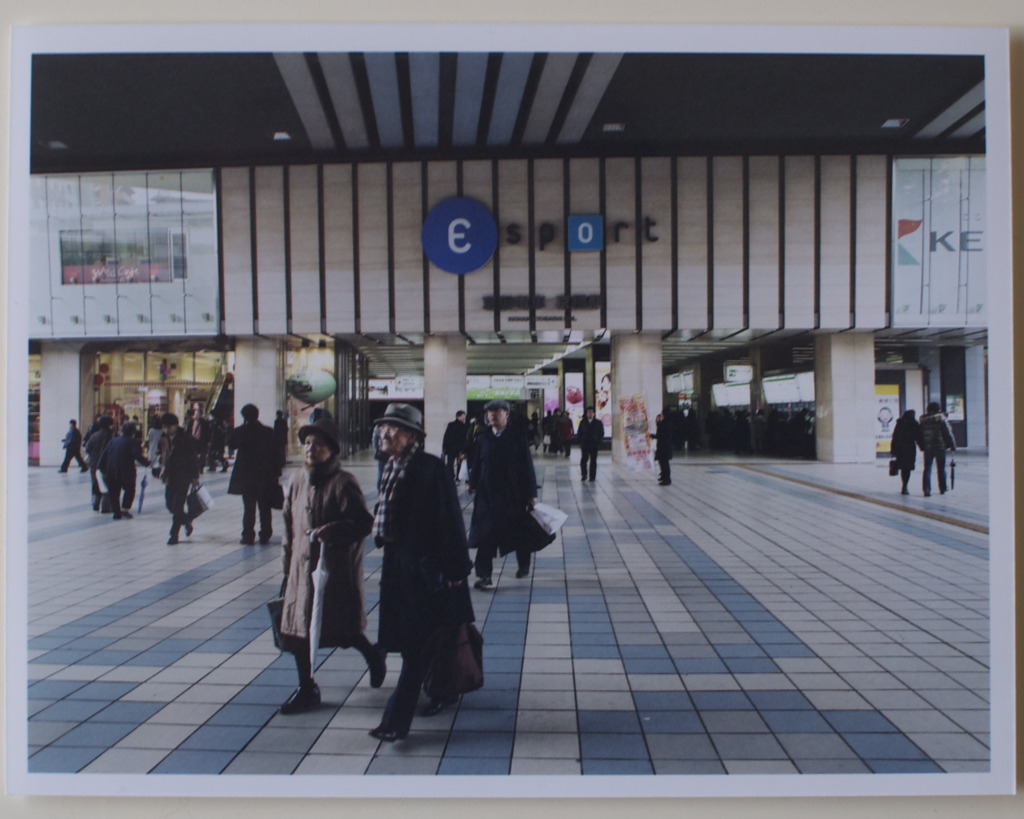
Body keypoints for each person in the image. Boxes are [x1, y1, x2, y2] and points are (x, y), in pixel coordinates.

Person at [370, 403, 474, 741]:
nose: (385, 433)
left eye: (394, 428)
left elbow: (450, 521)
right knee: (430, 640)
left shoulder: (430, 469)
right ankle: (445, 690)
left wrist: (456, 570)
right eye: (383, 426)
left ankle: (395, 722)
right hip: (400, 567)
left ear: (412, 435)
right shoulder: (391, 464)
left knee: (415, 648)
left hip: (427, 571)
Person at [277, 417, 383, 715]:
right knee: (297, 632)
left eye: (319, 444)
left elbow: (363, 523)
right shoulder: (297, 479)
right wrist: (287, 569)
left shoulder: (343, 482)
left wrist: (332, 531)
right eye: (308, 443)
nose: (311, 449)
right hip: (301, 571)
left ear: (332, 450)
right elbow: (288, 526)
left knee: (343, 631)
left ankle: (373, 655)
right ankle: (307, 687)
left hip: (334, 571)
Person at [468, 399, 538, 589]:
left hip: (513, 494)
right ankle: (484, 575)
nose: (492, 415)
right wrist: (472, 483)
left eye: (497, 411)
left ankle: (524, 564)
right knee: (485, 534)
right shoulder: (483, 438)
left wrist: (531, 492)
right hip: (487, 495)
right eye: (490, 412)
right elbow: (477, 463)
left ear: (506, 414)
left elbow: (527, 466)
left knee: (517, 532)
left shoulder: (517, 437)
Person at [227, 404, 285, 545]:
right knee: (264, 507)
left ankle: (248, 534)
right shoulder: (268, 432)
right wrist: (277, 472)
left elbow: (231, 443)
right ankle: (265, 533)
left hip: (247, 477)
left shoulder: (241, 431)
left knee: (249, 507)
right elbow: (276, 454)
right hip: (265, 475)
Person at [158, 412, 202, 545]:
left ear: (175, 426)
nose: (166, 429)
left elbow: (193, 458)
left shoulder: (186, 438)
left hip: (183, 475)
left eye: (168, 427)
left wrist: (195, 476)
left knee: (178, 505)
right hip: (169, 476)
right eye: (164, 427)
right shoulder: (164, 437)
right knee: (169, 504)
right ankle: (186, 520)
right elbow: (162, 454)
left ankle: (174, 534)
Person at [96, 422, 150, 519]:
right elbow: (137, 455)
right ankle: (124, 509)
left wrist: (100, 467)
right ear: (132, 432)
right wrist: (146, 463)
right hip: (127, 471)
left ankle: (116, 512)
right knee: (129, 490)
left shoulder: (113, 441)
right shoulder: (132, 442)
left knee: (114, 492)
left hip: (111, 470)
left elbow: (104, 455)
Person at [919, 402, 956, 496]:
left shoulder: (923, 421)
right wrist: (952, 445)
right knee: (941, 468)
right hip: (940, 447)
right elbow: (947, 433)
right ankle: (942, 488)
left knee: (927, 468)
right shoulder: (941, 419)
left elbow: (920, 435)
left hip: (928, 447)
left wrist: (922, 446)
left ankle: (926, 489)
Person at [890, 409, 925, 496]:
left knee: (902, 467)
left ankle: (904, 485)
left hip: (900, 449)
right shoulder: (914, 423)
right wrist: (923, 447)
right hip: (910, 448)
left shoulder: (900, 423)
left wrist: (893, 450)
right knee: (908, 468)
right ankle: (905, 485)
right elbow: (919, 436)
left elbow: (894, 437)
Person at [84, 416, 115, 511]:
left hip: (94, 465)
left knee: (95, 484)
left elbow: (87, 449)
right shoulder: (112, 436)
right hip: (108, 465)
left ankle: (95, 502)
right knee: (108, 485)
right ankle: (106, 506)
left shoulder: (94, 436)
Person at [576, 405, 604, 482]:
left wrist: (599, 443)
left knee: (593, 461)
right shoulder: (583, 422)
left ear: (594, 413)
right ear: (586, 413)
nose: (590, 414)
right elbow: (579, 433)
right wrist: (580, 442)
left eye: (591, 412)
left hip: (594, 444)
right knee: (584, 460)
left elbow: (601, 434)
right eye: (588, 412)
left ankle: (592, 476)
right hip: (585, 444)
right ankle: (584, 475)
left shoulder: (598, 423)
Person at [442, 410, 468, 482]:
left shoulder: (453, 425)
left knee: (451, 463)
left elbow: (446, 436)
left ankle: (452, 476)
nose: (464, 418)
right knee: (456, 463)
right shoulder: (463, 426)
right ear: (458, 416)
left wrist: (444, 447)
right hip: (458, 448)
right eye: (462, 416)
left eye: (464, 416)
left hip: (453, 448)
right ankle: (456, 477)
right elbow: (447, 436)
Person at [653, 411, 672, 486]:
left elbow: (661, 435)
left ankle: (667, 479)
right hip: (663, 447)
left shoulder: (666, 425)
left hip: (664, 447)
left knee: (664, 463)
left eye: (662, 415)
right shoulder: (664, 424)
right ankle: (664, 477)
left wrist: (659, 424)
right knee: (662, 462)